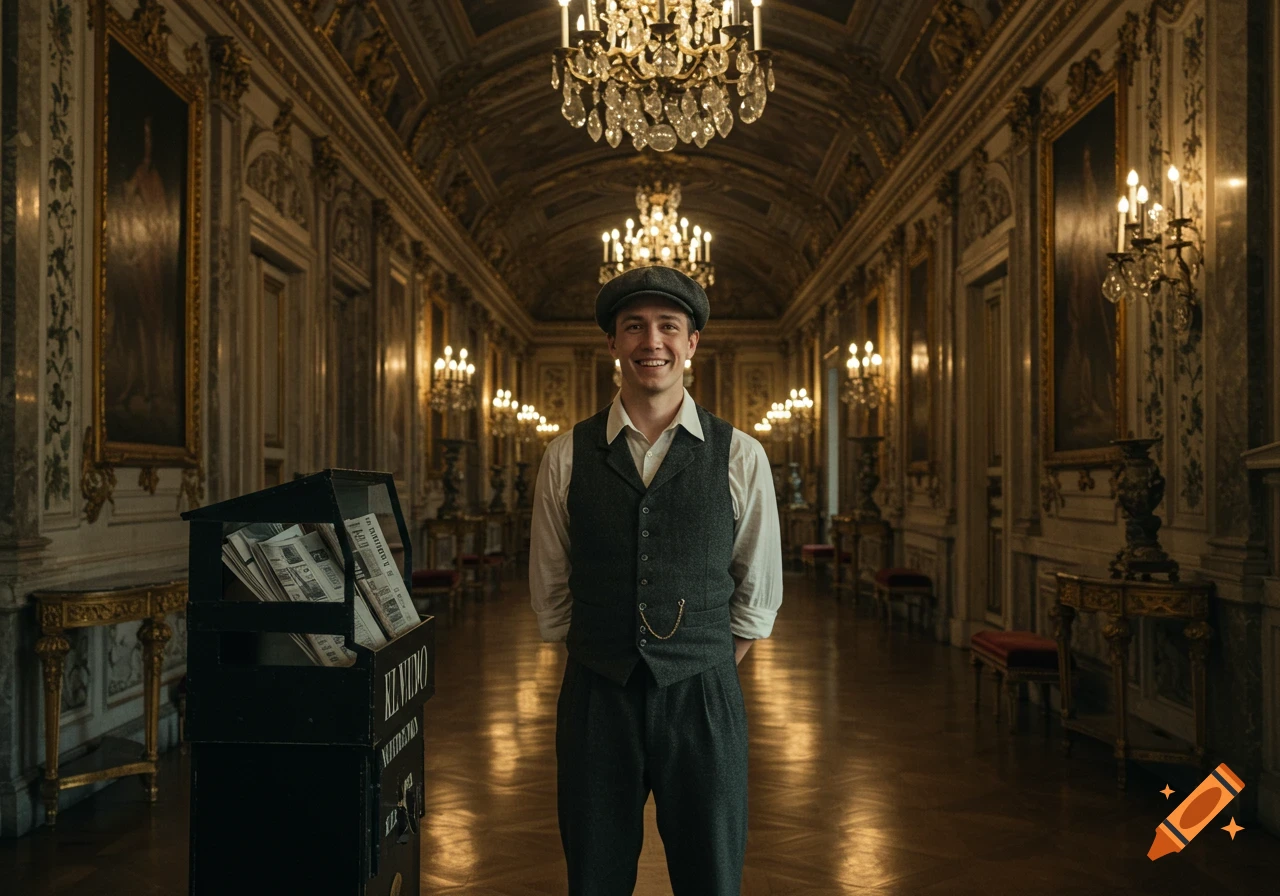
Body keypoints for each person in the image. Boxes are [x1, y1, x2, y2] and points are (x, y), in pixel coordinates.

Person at [530, 266, 784, 895]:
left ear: (692, 342)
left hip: (703, 695)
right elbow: (551, 579)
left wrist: (711, 659)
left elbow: (757, 580)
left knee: (711, 872)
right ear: (613, 343)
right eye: (634, 326)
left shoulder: (741, 454)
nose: (653, 341)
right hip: (597, 692)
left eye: (668, 326)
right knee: (595, 870)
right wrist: (594, 651)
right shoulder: (566, 454)